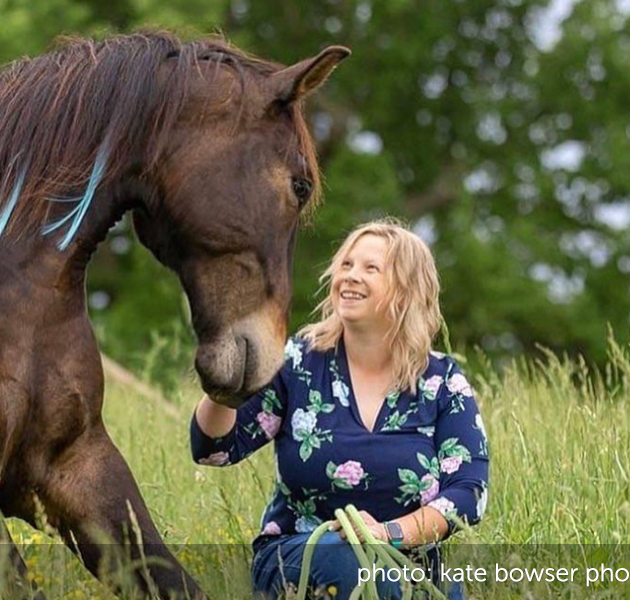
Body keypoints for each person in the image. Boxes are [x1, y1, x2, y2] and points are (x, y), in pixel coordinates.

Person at [190, 218, 489, 599]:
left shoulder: (442, 381)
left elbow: (467, 492)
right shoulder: (296, 362)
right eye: (346, 265)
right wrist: (222, 391)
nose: (350, 276)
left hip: (408, 566)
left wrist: (386, 534)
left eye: (370, 268)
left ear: (407, 289)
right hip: (299, 556)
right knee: (353, 566)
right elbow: (214, 450)